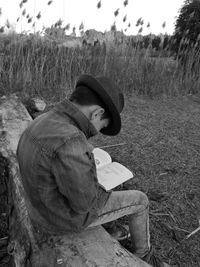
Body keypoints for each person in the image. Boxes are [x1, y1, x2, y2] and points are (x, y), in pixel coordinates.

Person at [17, 74, 169, 267]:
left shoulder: (42, 119)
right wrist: (94, 181)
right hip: (57, 221)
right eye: (101, 126)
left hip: (37, 208)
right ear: (97, 113)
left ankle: (115, 232)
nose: (96, 132)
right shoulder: (71, 140)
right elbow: (86, 204)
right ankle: (145, 254)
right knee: (140, 200)